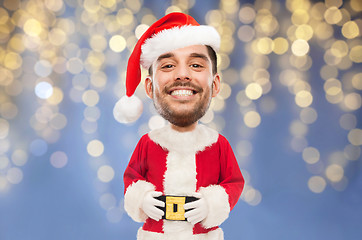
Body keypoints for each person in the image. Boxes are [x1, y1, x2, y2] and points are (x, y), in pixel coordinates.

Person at [120, 12, 244, 240]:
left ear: (215, 84)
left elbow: (233, 182)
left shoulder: (218, 145)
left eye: (196, 64)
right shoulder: (148, 144)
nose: (183, 75)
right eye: (168, 65)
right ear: (149, 87)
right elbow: (132, 179)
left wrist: (210, 205)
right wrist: (142, 198)